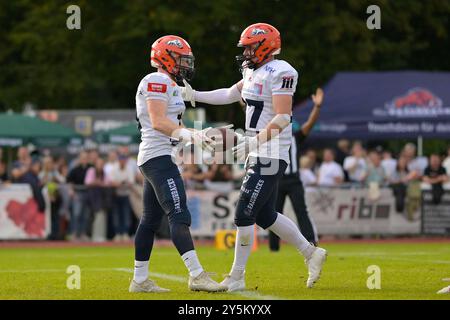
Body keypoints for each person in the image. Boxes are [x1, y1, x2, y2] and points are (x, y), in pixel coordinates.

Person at [182, 23, 327, 291]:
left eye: (250, 47)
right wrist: (195, 95)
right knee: (265, 215)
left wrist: (253, 142)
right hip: (256, 147)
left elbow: (284, 117)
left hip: (271, 150)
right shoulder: (251, 71)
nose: (246, 52)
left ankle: (237, 276)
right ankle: (311, 253)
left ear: (265, 46)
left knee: (244, 212)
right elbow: (229, 93)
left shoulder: (282, 71)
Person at [130, 35, 226, 293]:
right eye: (181, 59)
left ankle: (139, 280)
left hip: (158, 156)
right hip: (157, 156)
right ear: (166, 57)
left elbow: (174, 125)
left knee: (149, 220)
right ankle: (197, 275)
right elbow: (159, 121)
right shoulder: (156, 80)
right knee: (179, 214)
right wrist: (190, 135)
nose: (186, 65)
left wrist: (198, 136)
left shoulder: (168, 84)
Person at [268, 88, 323, 251]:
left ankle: (310, 242)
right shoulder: (271, 135)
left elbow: (310, 124)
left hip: (293, 180)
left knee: (301, 211)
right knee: (273, 213)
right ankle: (274, 248)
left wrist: (317, 107)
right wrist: (245, 105)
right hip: (277, 179)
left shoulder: (295, 136)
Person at [66, 151, 91, 241]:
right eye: (82, 158)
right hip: (78, 192)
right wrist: (71, 190)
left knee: (86, 215)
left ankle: (83, 234)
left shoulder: (91, 168)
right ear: (79, 159)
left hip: (87, 192)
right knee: (76, 214)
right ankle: (74, 233)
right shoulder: (75, 169)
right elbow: (69, 181)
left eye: (85, 158)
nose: (84, 160)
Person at [109, 154, 134, 242]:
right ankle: (117, 234)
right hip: (116, 195)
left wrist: (120, 183)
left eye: (124, 160)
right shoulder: (114, 168)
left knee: (126, 215)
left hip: (126, 195)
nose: (122, 161)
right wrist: (122, 183)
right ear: (119, 160)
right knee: (116, 215)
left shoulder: (129, 168)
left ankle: (125, 233)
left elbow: (131, 183)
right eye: (121, 160)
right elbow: (112, 182)